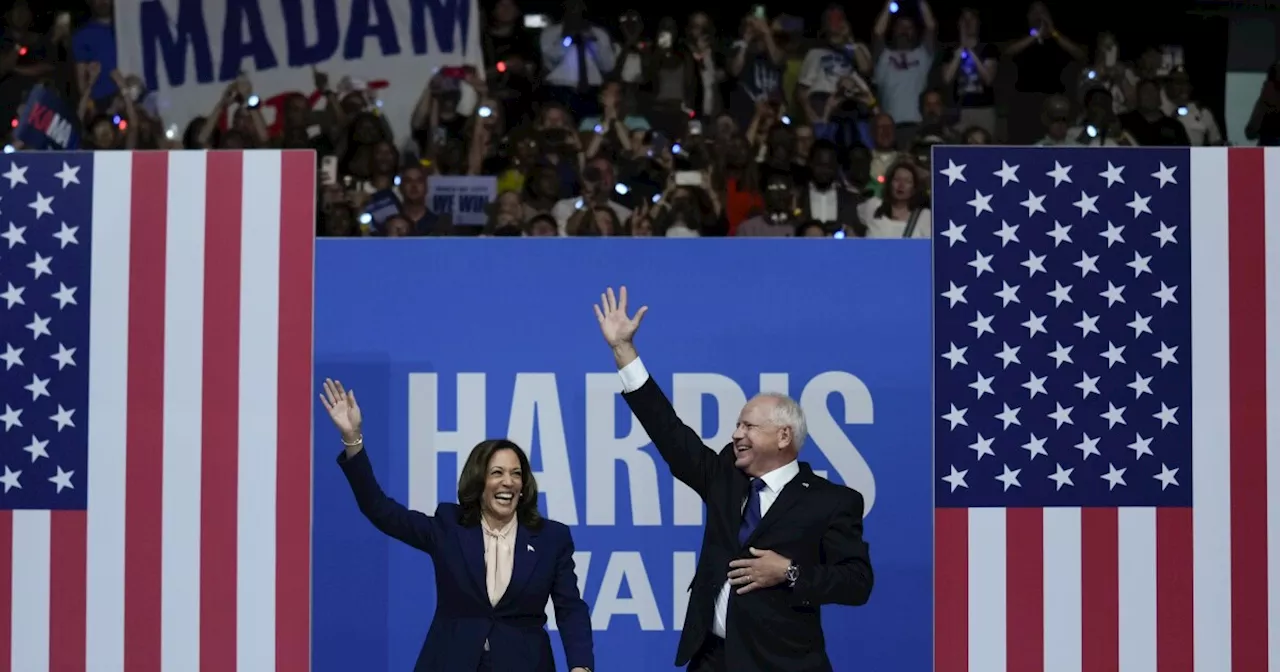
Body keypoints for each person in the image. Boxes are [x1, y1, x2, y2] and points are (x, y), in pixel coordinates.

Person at [591, 288, 873, 672]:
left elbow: (857, 582)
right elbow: (669, 431)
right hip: (712, 659)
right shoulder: (726, 476)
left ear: (784, 436)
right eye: (737, 425)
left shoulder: (831, 501)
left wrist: (788, 572)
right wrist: (624, 351)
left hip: (783, 664)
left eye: (749, 426)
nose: (737, 434)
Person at [320, 379, 595, 672]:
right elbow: (381, 510)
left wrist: (581, 666)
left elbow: (570, 609)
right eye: (497, 473)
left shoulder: (551, 538)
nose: (508, 482)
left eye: (516, 474)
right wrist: (353, 440)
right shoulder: (449, 527)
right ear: (478, 482)